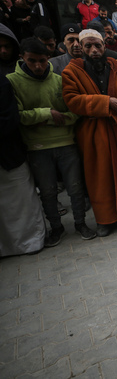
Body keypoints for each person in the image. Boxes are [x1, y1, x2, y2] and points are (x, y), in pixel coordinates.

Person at [8, 37, 96, 246]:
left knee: (75, 188)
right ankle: (56, 227)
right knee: (47, 191)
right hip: (37, 147)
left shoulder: (59, 80)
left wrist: (57, 118)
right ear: (22, 58)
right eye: (32, 61)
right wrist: (47, 114)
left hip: (66, 142)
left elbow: (74, 112)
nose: (38, 66)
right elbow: (18, 116)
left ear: (49, 58)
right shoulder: (12, 81)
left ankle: (80, 224)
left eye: (42, 61)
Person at [61, 29, 117, 237]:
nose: (94, 50)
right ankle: (105, 219)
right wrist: (106, 103)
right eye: (88, 46)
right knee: (100, 177)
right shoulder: (70, 72)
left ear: (104, 46)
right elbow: (72, 100)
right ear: (80, 48)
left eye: (97, 45)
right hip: (94, 133)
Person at [0, 73, 45, 256]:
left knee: (20, 202)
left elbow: (10, 117)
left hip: (8, 153)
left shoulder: (3, 83)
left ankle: (30, 243)